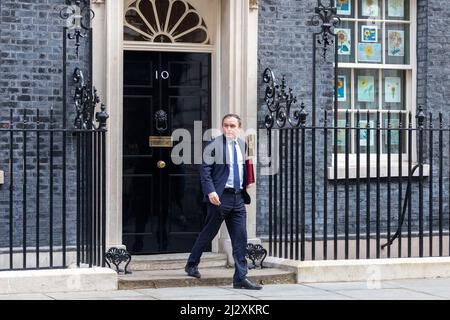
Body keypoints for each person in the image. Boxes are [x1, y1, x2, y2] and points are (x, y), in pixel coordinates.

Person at [184, 114, 262, 290]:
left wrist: (247, 181)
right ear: (222, 127)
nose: (228, 129)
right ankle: (191, 264)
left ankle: (240, 277)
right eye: (226, 125)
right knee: (209, 233)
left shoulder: (243, 145)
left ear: (239, 128)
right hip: (220, 198)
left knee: (240, 236)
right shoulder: (213, 145)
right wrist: (211, 191)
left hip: (238, 198)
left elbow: (245, 167)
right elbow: (205, 172)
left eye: (232, 126)